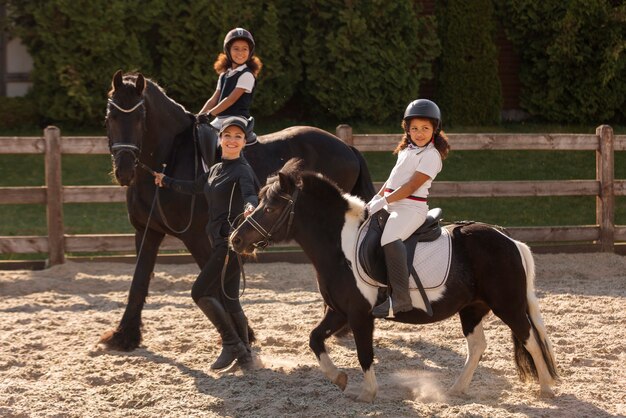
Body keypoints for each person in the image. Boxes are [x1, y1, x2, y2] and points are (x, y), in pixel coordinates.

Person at [154, 116, 259, 370]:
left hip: (230, 243)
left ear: (244, 142)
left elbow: (251, 194)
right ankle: (246, 357)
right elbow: (194, 187)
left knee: (199, 292)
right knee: (230, 298)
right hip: (218, 242)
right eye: (228, 136)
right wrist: (166, 181)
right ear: (220, 139)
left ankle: (231, 343)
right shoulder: (215, 169)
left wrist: (250, 207)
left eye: (238, 137)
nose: (232, 140)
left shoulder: (242, 170)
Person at [367, 99, 450, 319]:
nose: (419, 133)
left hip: (411, 208)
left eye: (425, 128)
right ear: (407, 130)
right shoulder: (407, 150)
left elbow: (412, 186)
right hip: (394, 202)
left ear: (435, 129)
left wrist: (384, 202)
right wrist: (377, 197)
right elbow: (392, 179)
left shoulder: (431, 156)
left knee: (389, 239)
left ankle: (400, 299)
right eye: (414, 128)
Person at [197, 28, 263, 169]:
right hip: (221, 119)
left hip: (237, 118)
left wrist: (209, 114)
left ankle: (218, 173)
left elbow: (230, 99)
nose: (240, 53)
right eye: (236, 49)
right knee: (198, 134)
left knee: (219, 141)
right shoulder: (224, 75)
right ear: (228, 51)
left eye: (244, 49)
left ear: (250, 52)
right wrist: (198, 116)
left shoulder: (247, 75)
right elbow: (214, 99)